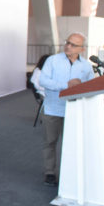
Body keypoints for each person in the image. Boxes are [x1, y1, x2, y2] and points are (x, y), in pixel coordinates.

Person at [37, 32, 95, 186]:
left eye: (73, 44)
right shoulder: (53, 60)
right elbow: (43, 81)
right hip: (53, 108)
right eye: (67, 42)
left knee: (72, 144)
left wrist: (81, 87)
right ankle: (49, 172)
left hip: (76, 109)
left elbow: (92, 84)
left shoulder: (86, 65)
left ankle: (70, 173)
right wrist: (66, 86)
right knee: (50, 142)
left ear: (81, 49)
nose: (68, 46)